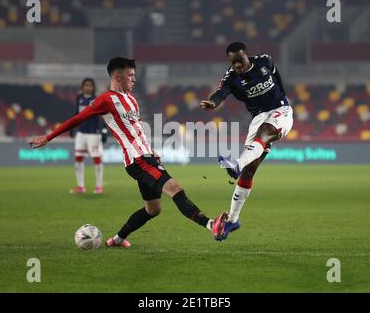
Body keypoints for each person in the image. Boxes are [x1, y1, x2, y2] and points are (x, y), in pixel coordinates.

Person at [30, 57, 228, 247]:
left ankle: (116, 240)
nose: (134, 79)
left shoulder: (131, 99)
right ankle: (212, 225)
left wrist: (151, 150)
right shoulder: (105, 100)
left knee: (153, 209)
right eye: (131, 75)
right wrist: (48, 137)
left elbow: (137, 128)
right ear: (117, 77)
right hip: (137, 160)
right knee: (174, 188)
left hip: (146, 156)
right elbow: (78, 118)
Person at [200, 42, 293, 241]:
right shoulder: (231, 78)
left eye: (240, 61)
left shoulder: (264, 61)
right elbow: (221, 93)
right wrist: (213, 102)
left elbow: (277, 78)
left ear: (247, 56)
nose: (238, 66)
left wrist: (284, 99)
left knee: (265, 133)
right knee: (250, 170)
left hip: (281, 110)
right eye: (234, 63)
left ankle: (236, 164)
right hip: (258, 117)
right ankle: (233, 220)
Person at [69, 78, 108, 194]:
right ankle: (80, 186)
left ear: (93, 87)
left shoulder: (97, 99)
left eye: (90, 85)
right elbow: (76, 114)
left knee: (96, 159)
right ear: (82, 87)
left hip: (94, 134)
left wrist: (104, 131)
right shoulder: (79, 98)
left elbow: (103, 116)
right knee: (78, 159)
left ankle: (98, 186)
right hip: (81, 133)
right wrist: (72, 127)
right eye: (86, 85)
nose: (88, 87)